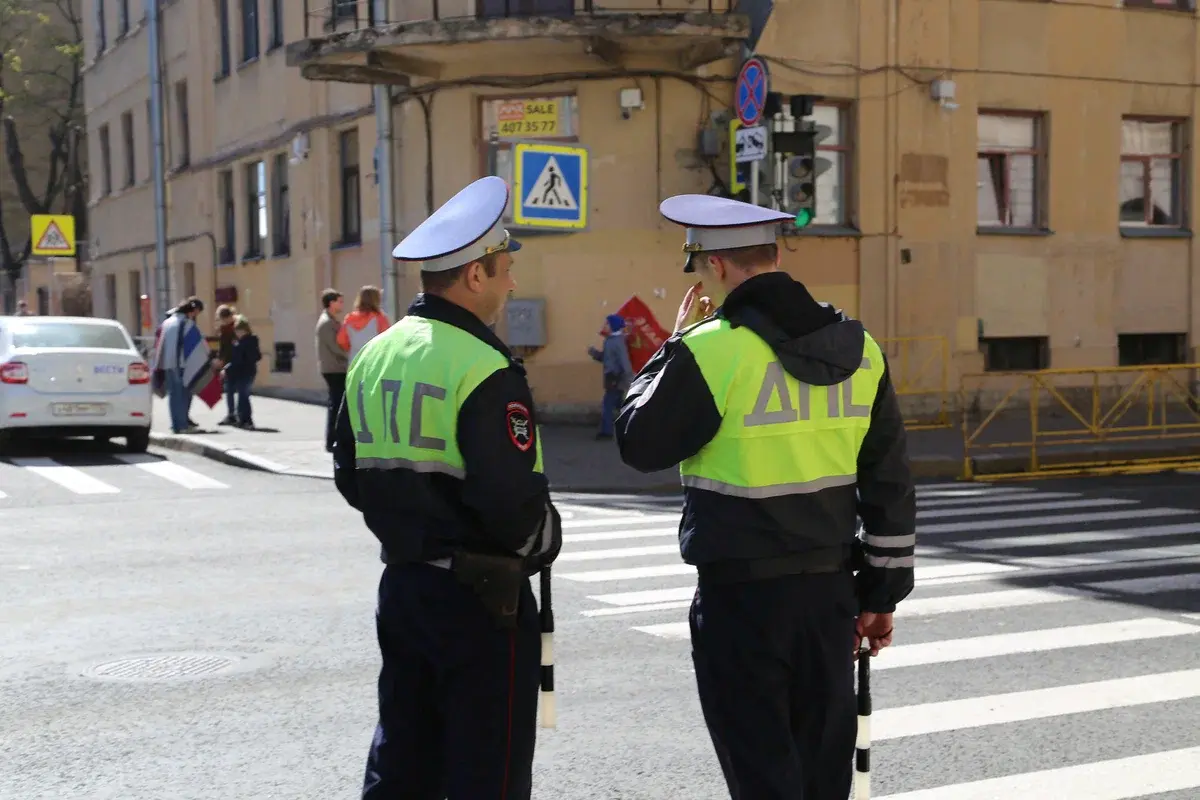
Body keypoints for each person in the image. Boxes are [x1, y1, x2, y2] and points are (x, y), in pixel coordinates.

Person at [613, 194, 917, 800]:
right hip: (831, 599)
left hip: (741, 606)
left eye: (700, 268)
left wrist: (670, 348)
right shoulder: (862, 350)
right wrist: (881, 595)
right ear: (775, 255)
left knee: (762, 778)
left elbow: (638, 441)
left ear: (717, 266)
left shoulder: (708, 350)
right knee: (822, 780)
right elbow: (889, 486)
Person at [332, 175, 562, 800]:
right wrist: (545, 539)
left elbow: (350, 476)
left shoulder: (374, 354)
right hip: (481, 601)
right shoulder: (483, 366)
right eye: (506, 267)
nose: (513, 282)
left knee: (403, 755)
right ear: (476, 276)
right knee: (486, 770)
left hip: (404, 586)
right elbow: (512, 510)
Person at [586, 313, 634, 440]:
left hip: (615, 379)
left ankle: (606, 432)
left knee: (607, 405)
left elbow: (624, 362)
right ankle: (633, 426)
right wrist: (594, 353)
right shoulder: (610, 340)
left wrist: (627, 380)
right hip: (611, 379)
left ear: (613, 325)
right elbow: (606, 358)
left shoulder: (617, 342)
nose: (604, 325)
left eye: (607, 323)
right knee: (619, 405)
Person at [315, 289, 348, 452]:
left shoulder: (331, 320)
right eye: (339, 301)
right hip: (334, 368)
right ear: (331, 303)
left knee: (336, 404)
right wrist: (352, 354)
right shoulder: (327, 323)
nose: (342, 304)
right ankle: (332, 440)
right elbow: (336, 347)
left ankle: (334, 439)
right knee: (336, 405)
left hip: (335, 367)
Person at [224, 315, 262, 429]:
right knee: (243, 395)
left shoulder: (246, 342)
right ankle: (243, 419)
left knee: (243, 395)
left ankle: (247, 420)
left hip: (245, 372)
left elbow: (240, 359)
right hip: (246, 372)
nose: (237, 332)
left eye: (238, 330)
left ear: (244, 330)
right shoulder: (246, 341)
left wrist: (227, 368)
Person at [336, 285, 391, 363]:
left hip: (354, 361)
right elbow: (387, 341)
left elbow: (341, 340)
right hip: (374, 361)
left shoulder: (349, 318)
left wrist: (354, 348)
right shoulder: (380, 318)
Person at [214, 305, 239, 426]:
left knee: (230, 390)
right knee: (233, 390)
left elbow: (224, 349)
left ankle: (232, 415)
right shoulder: (236, 326)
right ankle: (235, 414)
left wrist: (221, 361)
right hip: (235, 361)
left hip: (231, 362)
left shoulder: (227, 329)